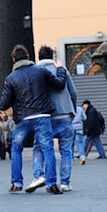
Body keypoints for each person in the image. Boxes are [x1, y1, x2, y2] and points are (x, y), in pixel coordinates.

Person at [0, 44, 67, 194]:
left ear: (14, 60)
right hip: (42, 116)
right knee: (48, 149)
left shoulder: (11, 78)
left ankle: (16, 183)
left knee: (16, 149)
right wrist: (60, 69)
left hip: (23, 118)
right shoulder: (41, 71)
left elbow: (4, 103)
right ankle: (51, 183)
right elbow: (59, 85)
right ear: (28, 57)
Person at [34, 45, 77, 192]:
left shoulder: (35, 72)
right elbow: (73, 92)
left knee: (40, 147)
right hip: (65, 115)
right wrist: (72, 110)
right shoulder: (62, 70)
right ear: (52, 57)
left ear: (38, 57)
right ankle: (65, 182)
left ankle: (40, 175)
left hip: (45, 117)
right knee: (66, 151)